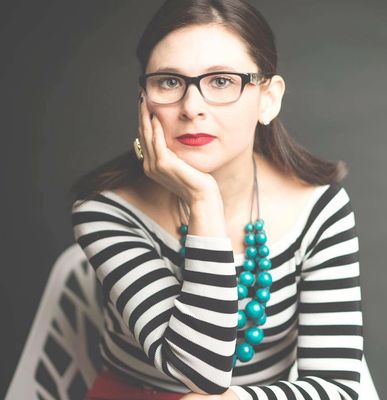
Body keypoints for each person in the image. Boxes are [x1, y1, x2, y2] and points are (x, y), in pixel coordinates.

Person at [69, 0, 363, 399]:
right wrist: (203, 199)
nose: (192, 108)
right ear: (143, 100)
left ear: (268, 98)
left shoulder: (320, 209)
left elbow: (338, 389)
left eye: (222, 81)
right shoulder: (105, 210)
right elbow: (200, 372)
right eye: (169, 82)